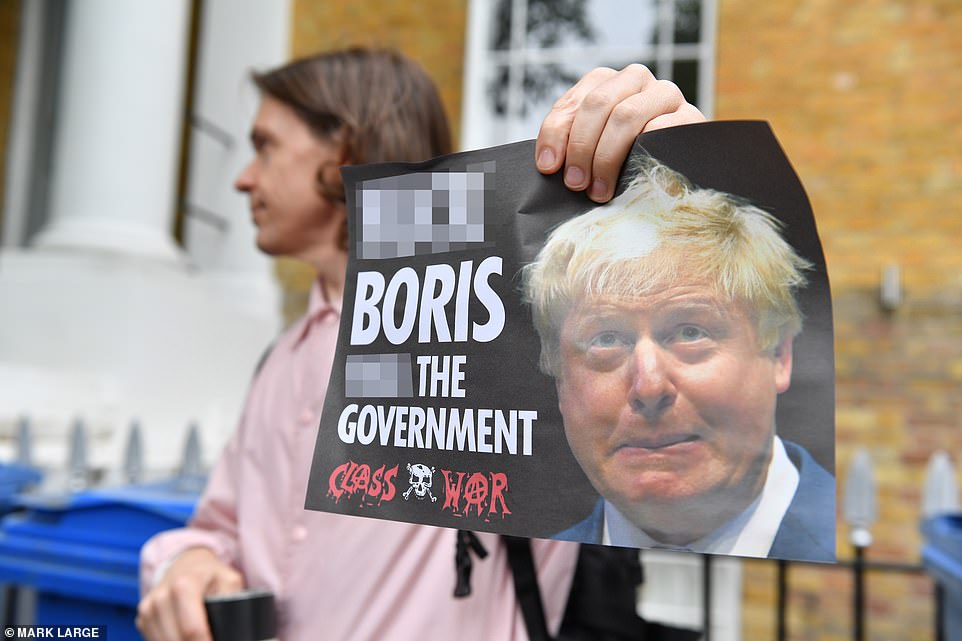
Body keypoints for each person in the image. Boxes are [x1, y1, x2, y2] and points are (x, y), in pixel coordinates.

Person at [136, 48, 705, 641]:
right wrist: (188, 564)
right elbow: (219, 528)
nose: (242, 177)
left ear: (342, 152)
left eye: (265, 145)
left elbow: (674, 325)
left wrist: (676, 173)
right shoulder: (279, 361)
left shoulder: (499, 334)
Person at [522, 156, 835, 561]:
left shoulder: (881, 550)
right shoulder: (513, 571)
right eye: (606, 339)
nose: (649, 385)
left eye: (691, 332)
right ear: (559, 379)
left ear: (779, 353)